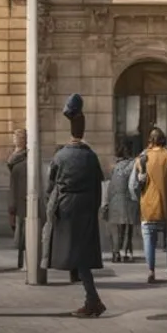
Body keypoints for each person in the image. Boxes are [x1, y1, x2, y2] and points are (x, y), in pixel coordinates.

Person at [46, 94, 106, 318]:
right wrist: (95, 207)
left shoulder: (60, 156)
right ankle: (92, 299)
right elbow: (98, 184)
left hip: (67, 208)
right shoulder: (91, 156)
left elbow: (50, 186)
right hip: (87, 207)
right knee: (81, 254)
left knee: (76, 255)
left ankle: (93, 301)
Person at [132, 127, 167, 283]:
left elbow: (133, 185)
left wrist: (139, 199)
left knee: (149, 240)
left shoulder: (141, 158)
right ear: (163, 140)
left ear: (150, 141)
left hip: (148, 207)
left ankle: (151, 271)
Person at [104, 142, 140, 263]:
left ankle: (116, 252)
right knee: (128, 227)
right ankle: (126, 251)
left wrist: (106, 202)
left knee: (116, 228)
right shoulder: (133, 165)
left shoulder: (114, 167)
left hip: (114, 199)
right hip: (129, 198)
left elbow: (110, 185)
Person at [6, 129, 29, 270]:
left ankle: (24, 261)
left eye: (16, 138)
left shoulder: (17, 163)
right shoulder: (18, 159)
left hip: (21, 201)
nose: (14, 140)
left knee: (23, 233)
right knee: (22, 233)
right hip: (22, 200)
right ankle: (23, 261)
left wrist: (11, 207)